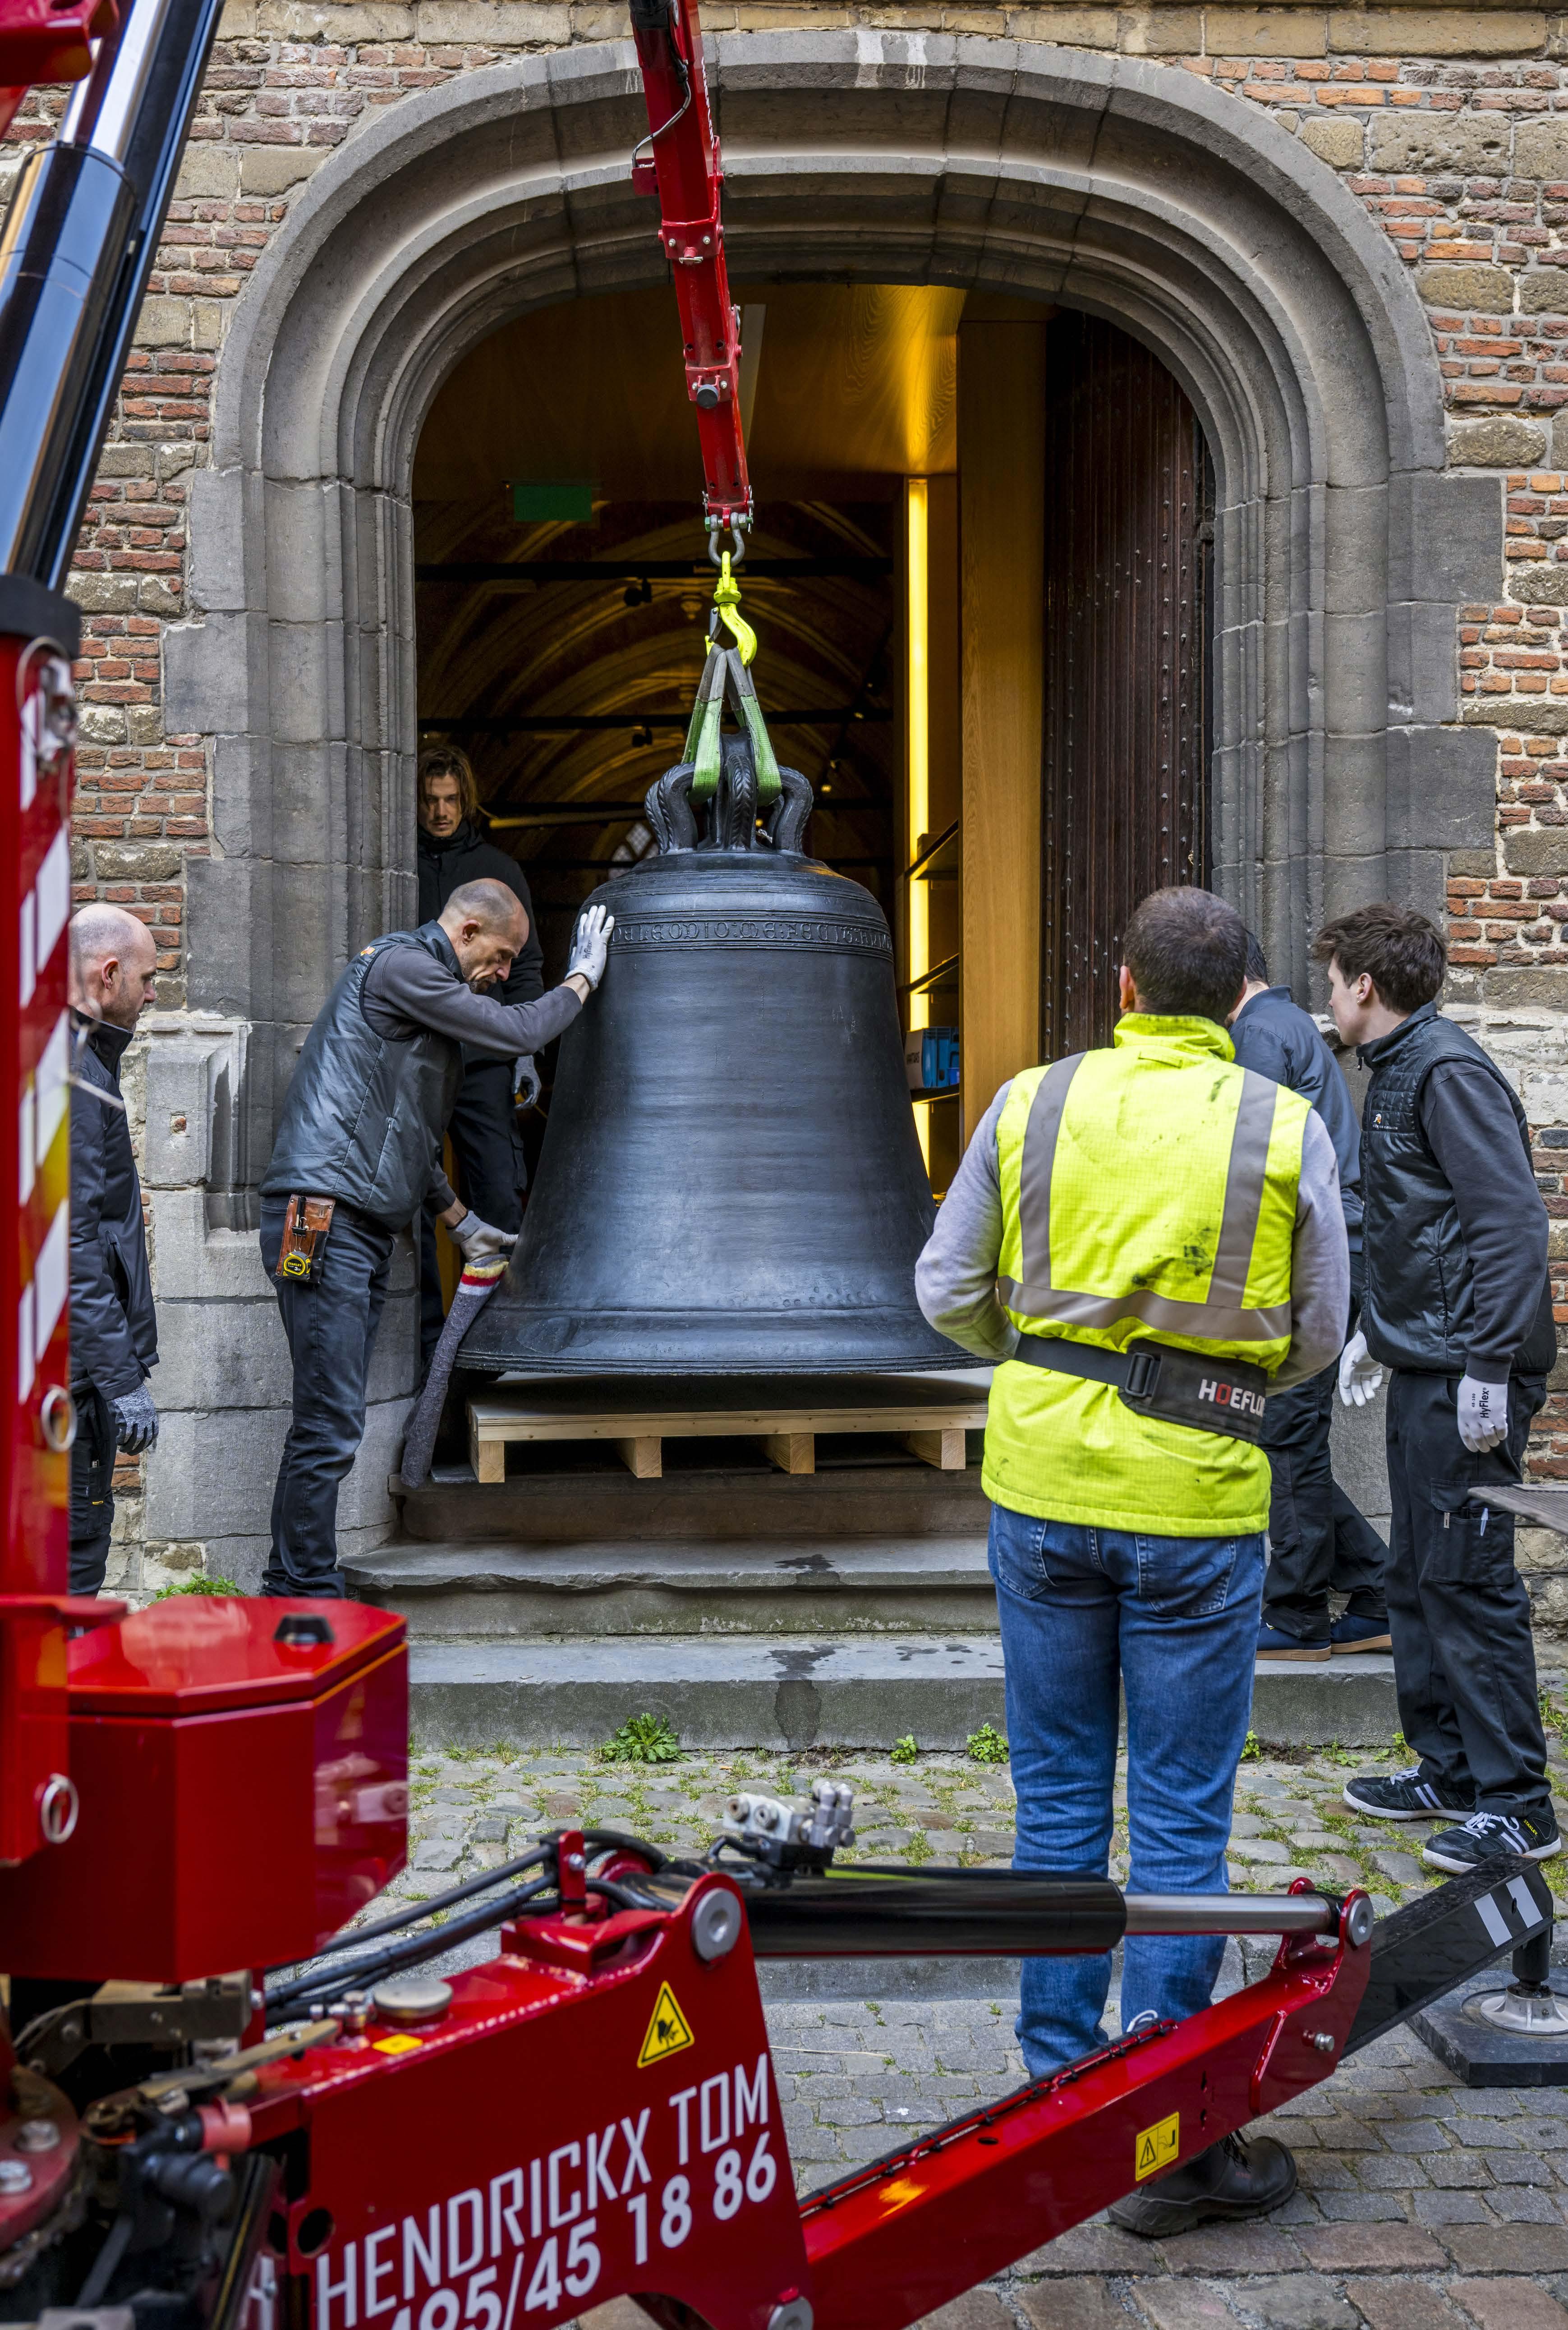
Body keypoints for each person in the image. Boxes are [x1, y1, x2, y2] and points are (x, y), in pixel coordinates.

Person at [916, 885, 1348, 2237]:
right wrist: (1206, 1374)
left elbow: (943, 1290)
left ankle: (1058, 2097)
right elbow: (1318, 1332)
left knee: (1054, 1806)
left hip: (1041, 1489)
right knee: (1177, 1822)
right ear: (1236, 1000)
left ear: (1121, 988)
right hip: (1197, 1504)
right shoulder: (1281, 1124)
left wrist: (1049, 1361)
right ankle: (1163, 2136)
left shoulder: (1028, 1102)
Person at [258, 880, 613, 1598]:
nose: (503, 973)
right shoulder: (403, 966)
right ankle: (302, 1590)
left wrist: (462, 1223)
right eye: (502, 956)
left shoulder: (417, 995)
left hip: (346, 1220)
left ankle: (295, 1578)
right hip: (325, 1221)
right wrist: (581, 978)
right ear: (469, 930)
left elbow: (405, 1135)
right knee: (328, 1423)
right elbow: (515, 1032)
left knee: (330, 1420)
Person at [1321, 902, 1560, 1870]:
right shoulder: (1395, 1068)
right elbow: (1418, 1227)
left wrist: (1489, 1365)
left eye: (1333, 983)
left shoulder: (1444, 1071)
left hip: (1466, 1372)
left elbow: (1508, 1224)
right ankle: (1450, 1770)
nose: (1328, 1002)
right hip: (1424, 1359)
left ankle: (1519, 1805)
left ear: (1364, 985)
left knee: (1467, 1579)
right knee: (1416, 1574)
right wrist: (1375, 1332)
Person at [1229, 933, 1389, 1660]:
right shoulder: (1285, 1026)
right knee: (1283, 1435)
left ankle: (1296, 1616)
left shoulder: (1260, 1034)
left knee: (1285, 1437)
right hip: (1327, 1252)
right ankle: (1376, 1589)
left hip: (1310, 1257)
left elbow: (1252, 1164)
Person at [415, 745, 546, 1369]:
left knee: (497, 1189)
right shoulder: (394, 867)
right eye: (430, 801)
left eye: (450, 801)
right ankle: (425, 1350)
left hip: (485, 1058)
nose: (441, 813)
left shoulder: (499, 870)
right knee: (412, 1198)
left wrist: (526, 1052)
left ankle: (501, 1341)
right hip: (417, 1057)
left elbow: (528, 968)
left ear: (466, 800)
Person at [67, 905, 161, 1595]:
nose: (153, 993)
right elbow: (70, 1243)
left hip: (68, 1369)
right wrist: (121, 1379)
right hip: (66, 1381)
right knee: (75, 1555)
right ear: (108, 974)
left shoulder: (80, 1056)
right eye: (148, 978)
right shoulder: (72, 1073)